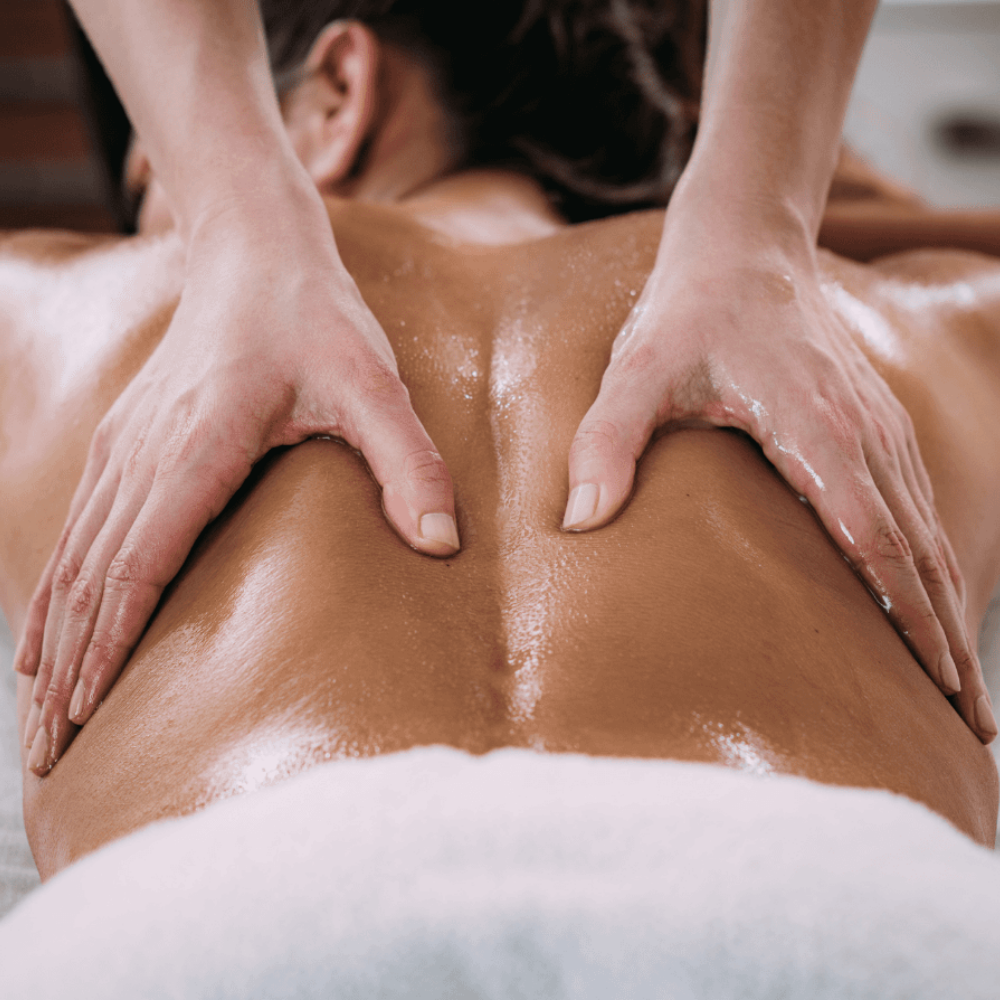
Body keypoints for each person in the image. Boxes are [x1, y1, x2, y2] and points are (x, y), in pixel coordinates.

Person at [1, 5, 998, 881]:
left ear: (340, 89)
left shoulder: (48, 307)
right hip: (833, 903)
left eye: (146, 184)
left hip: (226, 914)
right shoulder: (923, 324)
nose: (137, 237)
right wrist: (785, 215)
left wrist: (212, 224)